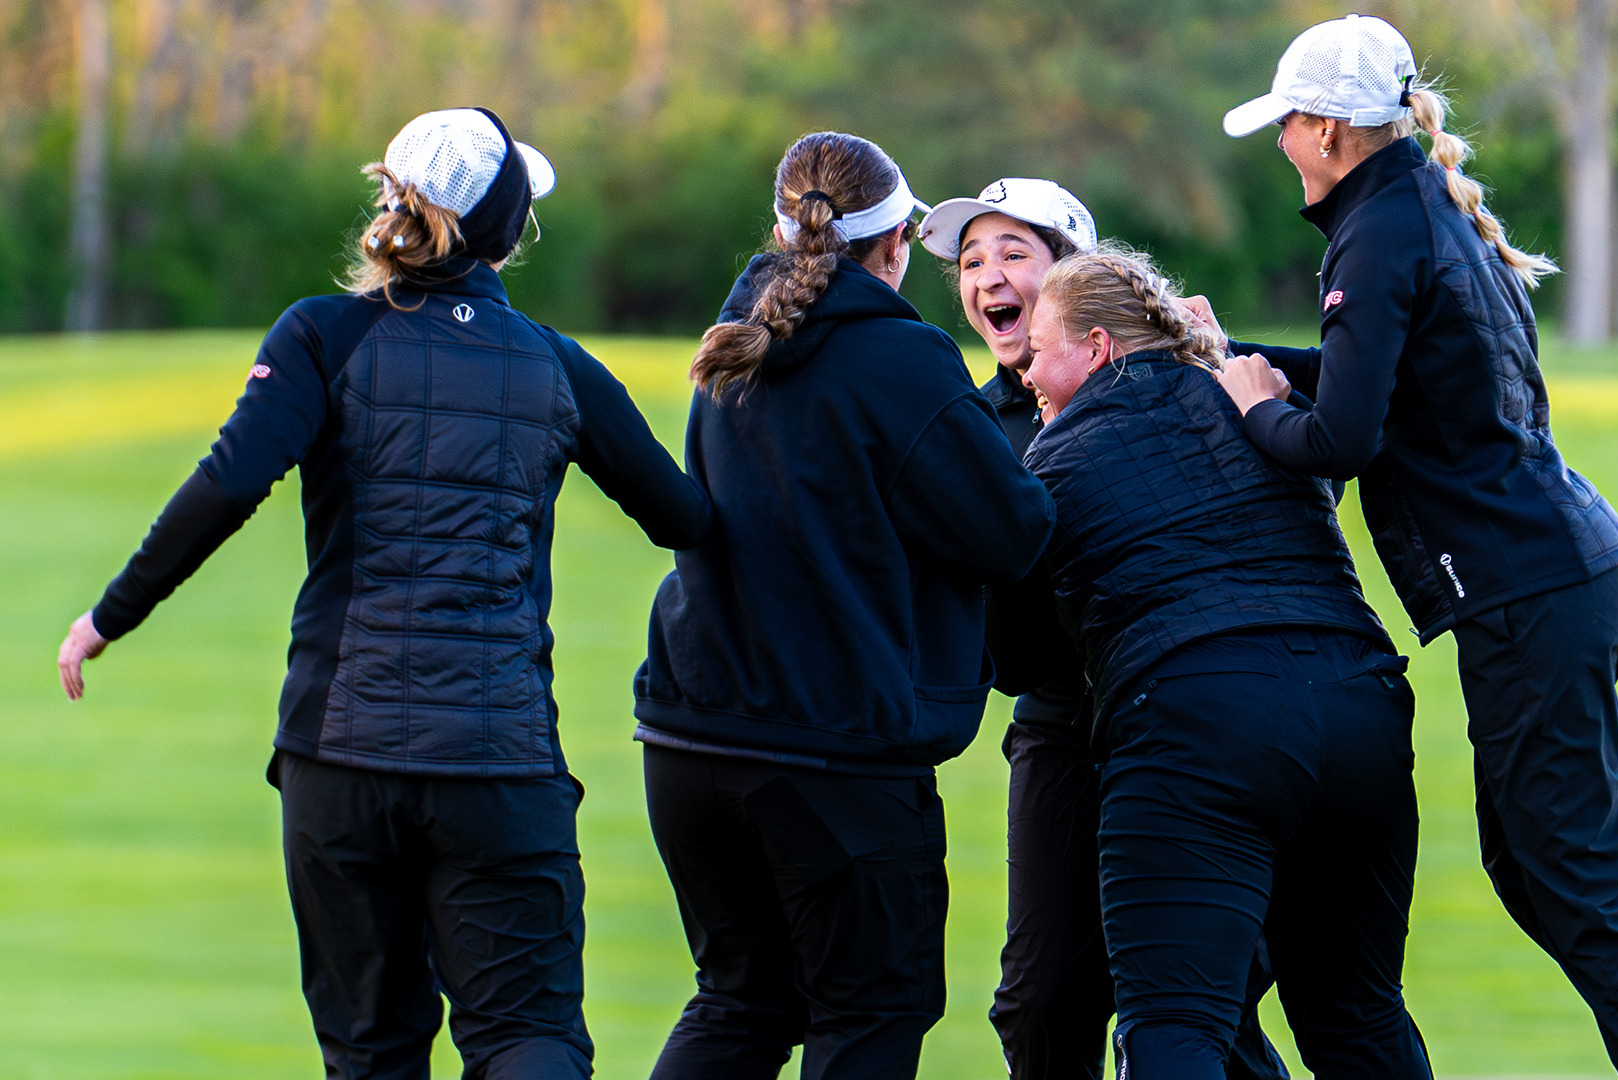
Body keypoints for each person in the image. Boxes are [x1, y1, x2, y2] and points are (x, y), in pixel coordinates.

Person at [54, 108, 711, 1079]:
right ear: (505, 234)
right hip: (497, 761)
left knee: (372, 1053)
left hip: (340, 759)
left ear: (391, 201)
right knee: (527, 1040)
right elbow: (685, 518)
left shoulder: (324, 335)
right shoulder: (555, 364)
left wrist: (110, 615)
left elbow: (231, 482)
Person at [1210, 16, 1618, 1080]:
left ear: (1333, 131)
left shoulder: (1380, 231)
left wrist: (1253, 407)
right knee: (1545, 868)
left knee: (1564, 872)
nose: (1283, 146)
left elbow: (1339, 437)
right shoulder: (1411, 205)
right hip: (1551, 579)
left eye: (1289, 127)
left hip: (1529, 592)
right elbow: (1365, 377)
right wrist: (1237, 359)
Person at [633, 132, 1056, 1080]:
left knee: (741, 1005)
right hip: (830, 753)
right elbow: (1013, 530)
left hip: (688, 741)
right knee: (871, 1015)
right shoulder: (901, 359)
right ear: (899, 242)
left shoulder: (733, 343)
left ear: (782, 229)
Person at [1022, 245, 1432, 1080]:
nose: (1025, 371)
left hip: (1198, 721)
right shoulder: (1254, 404)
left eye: (1038, 349)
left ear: (1097, 348)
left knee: (1174, 1024)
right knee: (1359, 1017)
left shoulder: (1054, 461)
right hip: (1361, 707)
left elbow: (1016, 650)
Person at [919, 180, 1284, 1080]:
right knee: (1042, 1001)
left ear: (1075, 281)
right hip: (1062, 729)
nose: (988, 277)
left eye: (1013, 254)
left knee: (1204, 998)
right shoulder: (968, 424)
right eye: (972, 262)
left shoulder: (1181, 384)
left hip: (1191, 720)